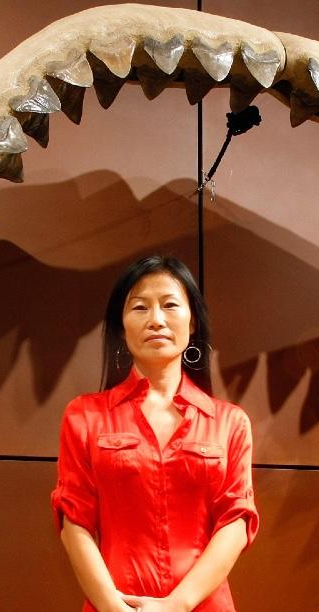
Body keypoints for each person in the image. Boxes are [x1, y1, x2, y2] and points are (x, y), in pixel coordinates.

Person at [51, 255, 259, 612]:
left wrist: (175, 606)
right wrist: (113, 607)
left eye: (170, 305)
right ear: (122, 324)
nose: (157, 320)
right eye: (140, 308)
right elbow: (75, 523)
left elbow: (236, 522)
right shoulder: (84, 416)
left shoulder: (230, 423)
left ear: (192, 321)